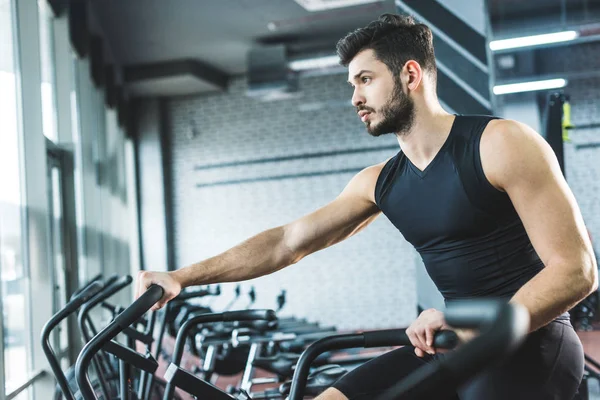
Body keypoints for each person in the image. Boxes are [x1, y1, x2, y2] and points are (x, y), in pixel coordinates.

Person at [135, 14, 598, 399]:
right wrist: (180, 277)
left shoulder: (500, 144)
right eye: (352, 83)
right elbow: (286, 243)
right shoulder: (380, 183)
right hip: (454, 343)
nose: (354, 97)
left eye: (365, 80)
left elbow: (576, 271)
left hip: (532, 344)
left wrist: (474, 323)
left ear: (410, 75)